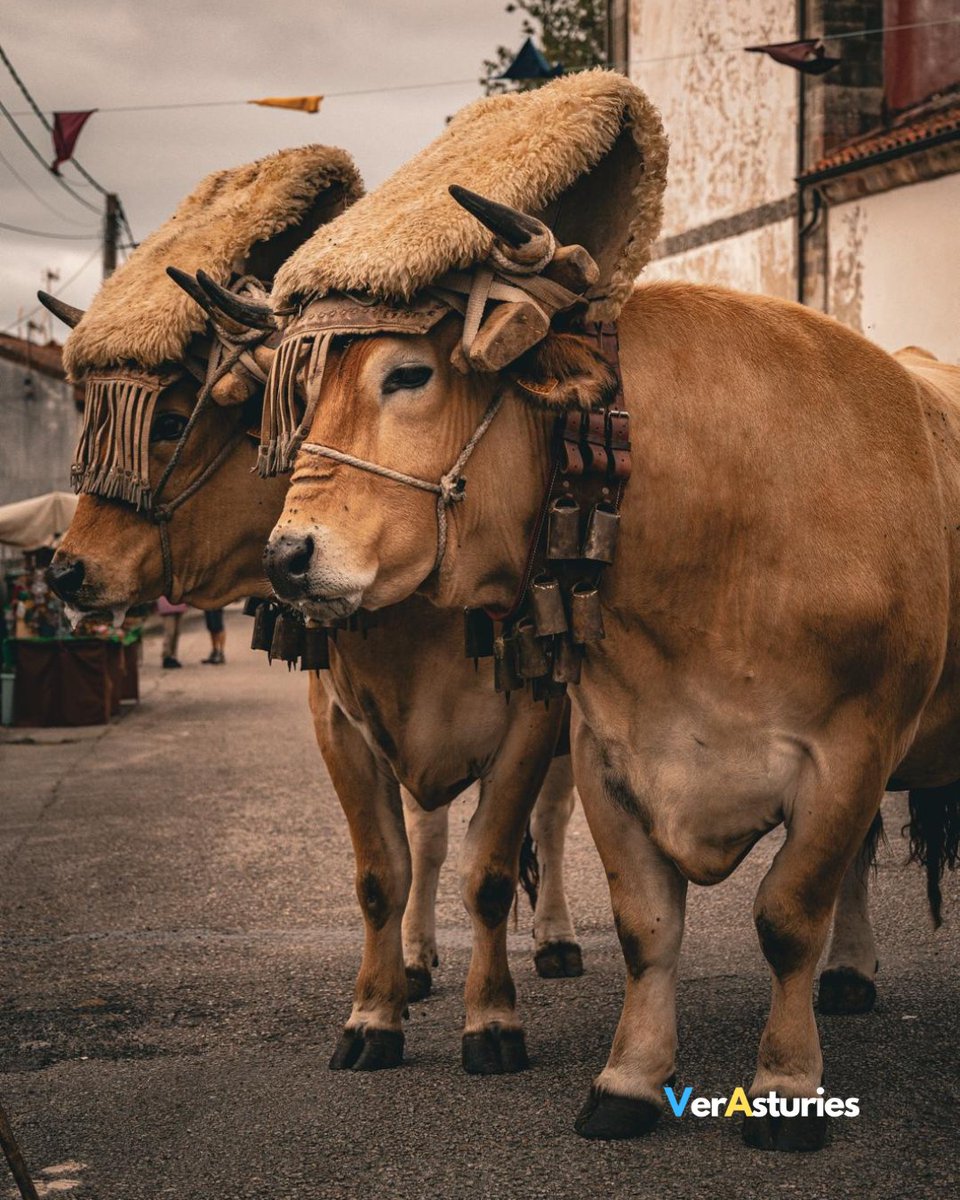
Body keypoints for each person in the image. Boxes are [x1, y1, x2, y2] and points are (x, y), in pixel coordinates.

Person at [157, 596, 187, 668]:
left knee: (176, 632)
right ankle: (167, 656)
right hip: (167, 607)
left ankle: (173, 656)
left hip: (179, 605)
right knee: (169, 632)